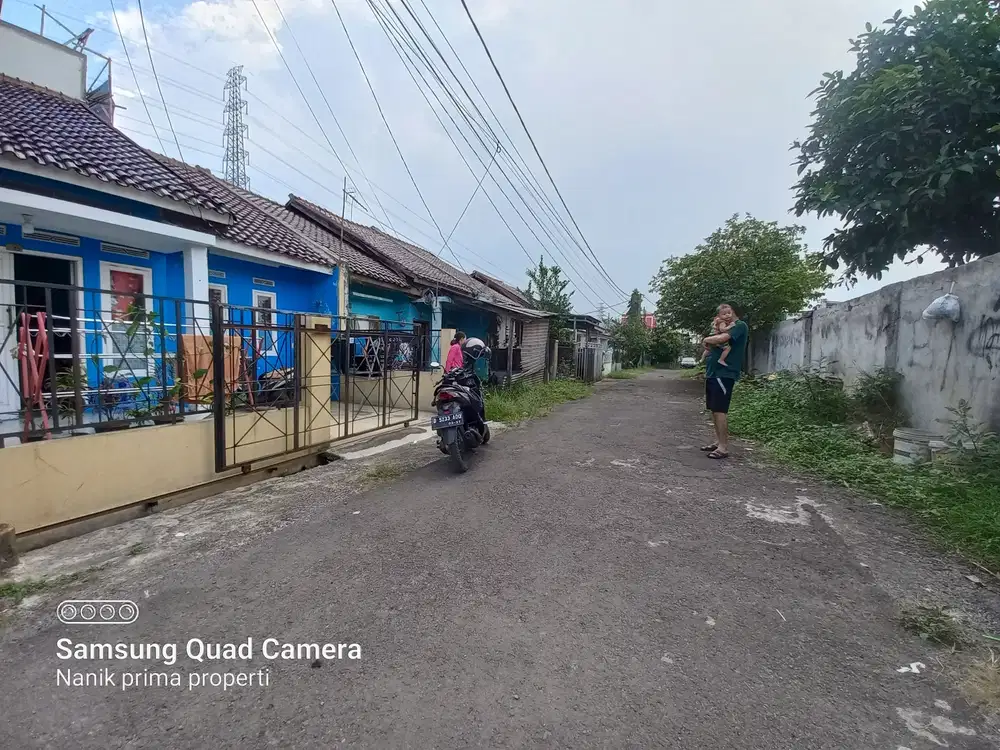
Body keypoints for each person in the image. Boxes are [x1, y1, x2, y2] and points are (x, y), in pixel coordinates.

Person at [700, 303, 748, 460]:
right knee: (714, 409)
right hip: (713, 373)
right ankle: (718, 441)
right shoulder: (721, 325)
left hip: (724, 373)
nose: (726, 315)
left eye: (728, 312)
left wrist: (707, 338)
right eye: (723, 313)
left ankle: (723, 447)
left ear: (733, 311)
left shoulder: (739, 326)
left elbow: (723, 338)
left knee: (720, 409)